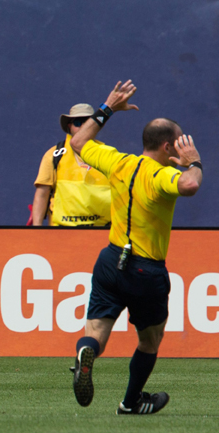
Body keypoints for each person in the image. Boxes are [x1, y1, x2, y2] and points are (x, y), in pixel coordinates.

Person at [69, 80, 203, 414]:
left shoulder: (118, 162)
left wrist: (108, 108)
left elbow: (78, 140)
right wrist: (195, 162)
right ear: (170, 146)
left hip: (111, 260)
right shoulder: (159, 176)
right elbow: (189, 185)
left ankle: (86, 352)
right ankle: (130, 402)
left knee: (97, 332)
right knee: (150, 340)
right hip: (146, 270)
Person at [31, 103, 111, 226]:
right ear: (70, 126)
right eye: (78, 123)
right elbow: (42, 194)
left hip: (102, 231)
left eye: (88, 122)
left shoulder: (108, 154)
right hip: (61, 232)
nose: (84, 127)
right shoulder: (54, 155)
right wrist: (37, 230)